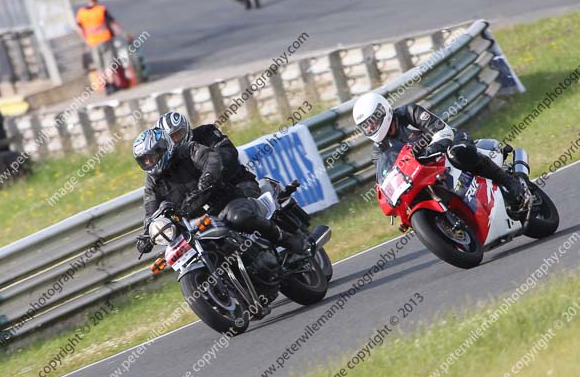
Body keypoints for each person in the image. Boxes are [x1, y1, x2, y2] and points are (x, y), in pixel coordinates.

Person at [133, 127, 309, 255]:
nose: (149, 163)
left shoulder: (188, 150)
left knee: (239, 217)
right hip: (195, 222)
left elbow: (211, 158)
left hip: (224, 200)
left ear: (162, 148)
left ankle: (286, 239)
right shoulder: (152, 181)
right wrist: (148, 232)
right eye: (144, 161)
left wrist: (208, 176)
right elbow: (151, 208)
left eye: (151, 157)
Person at [353, 92, 531, 212]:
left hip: (449, 144)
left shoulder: (408, 113)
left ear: (383, 111)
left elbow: (441, 130)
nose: (371, 127)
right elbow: (386, 179)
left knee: (458, 153)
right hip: (424, 171)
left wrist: (431, 149)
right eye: (366, 126)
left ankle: (510, 182)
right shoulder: (379, 151)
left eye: (373, 121)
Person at [76, 0, 126, 95]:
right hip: (105, 39)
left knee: (99, 65)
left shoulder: (81, 13)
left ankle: (106, 86)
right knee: (108, 63)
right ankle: (112, 84)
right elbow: (113, 23)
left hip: (92, 42)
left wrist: (85, 39)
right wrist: (123, 33)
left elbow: (80, 29)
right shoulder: (101, 10)